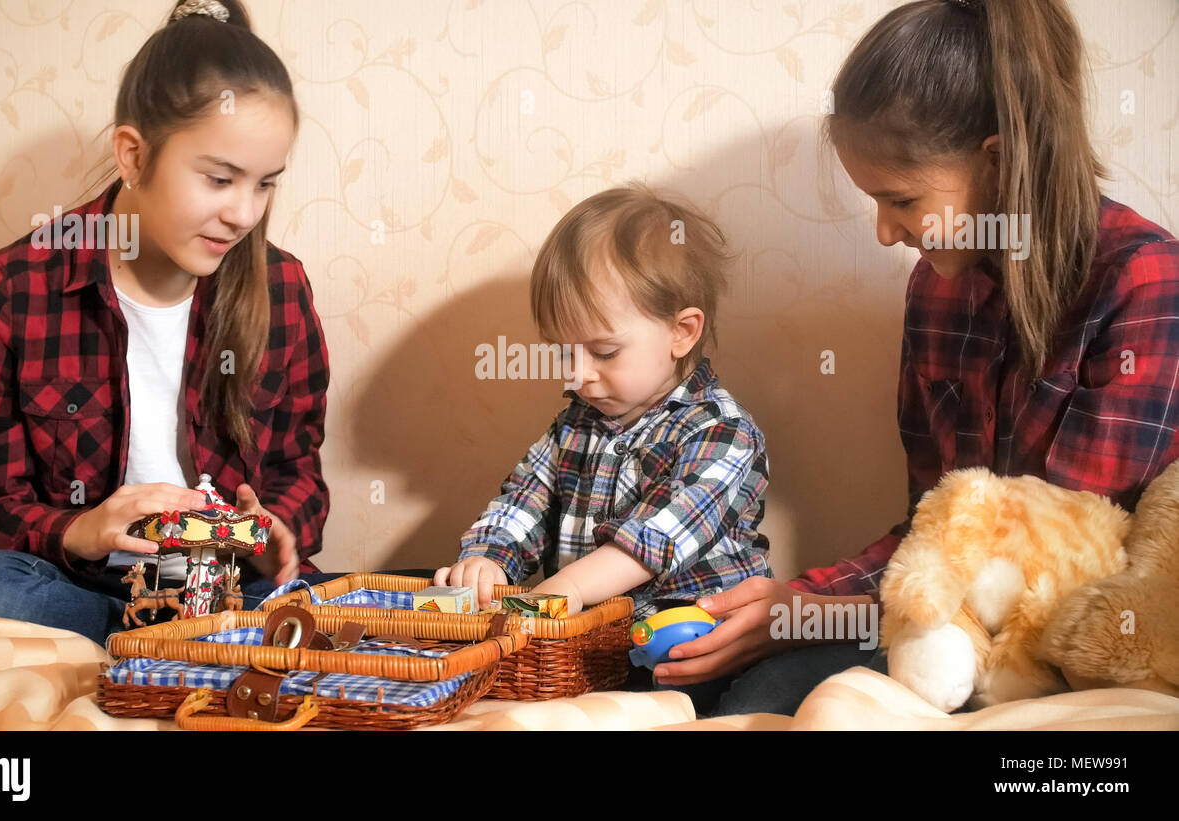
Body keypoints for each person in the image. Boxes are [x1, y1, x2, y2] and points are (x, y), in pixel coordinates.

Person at [659, 0, 1179, 717]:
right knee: (747, 695)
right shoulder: (937, 290)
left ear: (996, 163)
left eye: (899, 199)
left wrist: (816, 607)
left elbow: (1063, 560)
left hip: (1068, 639)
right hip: (944, 625)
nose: (882, 232)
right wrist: (800, 606)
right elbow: (937, 529)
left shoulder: (1144, 282)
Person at [0, 0, 332, 646]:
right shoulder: (15, 287)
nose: (243, 213)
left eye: (265, 185)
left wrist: (274, 526)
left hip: (224, 585)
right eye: (221, 179)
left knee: (328, 602)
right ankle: (146, 636)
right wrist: (80, 530)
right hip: (80, 583)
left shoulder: (280, 289)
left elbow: (298, 470)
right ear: (133, 157)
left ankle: (175, 637)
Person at [436, 183, 773, 714]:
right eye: (562, 352)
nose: (577, 374)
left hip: (690, 648)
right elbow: (523, 499)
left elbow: (653, 540)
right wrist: (487, 559)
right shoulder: (574, 427)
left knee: (701, 696)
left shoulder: (722, 435)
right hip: (590, 646)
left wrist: (563, 590)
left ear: (681, 333)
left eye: (603, 351)